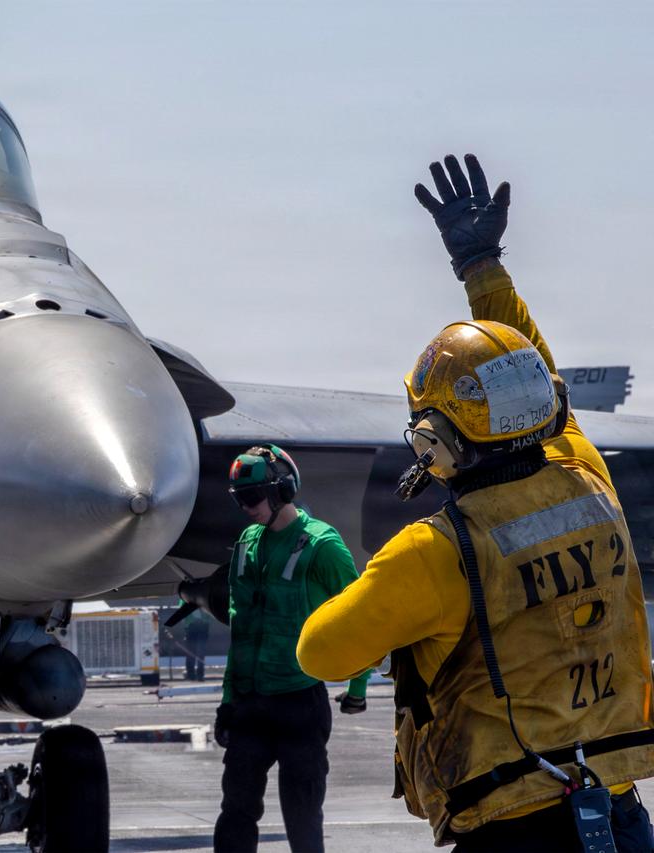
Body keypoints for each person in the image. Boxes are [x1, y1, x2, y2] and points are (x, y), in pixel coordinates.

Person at [296, 154, 654, 852]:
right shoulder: (585, 473)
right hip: (617, 810)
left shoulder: (437, 552)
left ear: (437, 440)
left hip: (514, 825)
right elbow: (529, 362)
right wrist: (482, 265)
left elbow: (320, 651)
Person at [213, 445, 369, 853]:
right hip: (250, 706)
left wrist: (357, 691)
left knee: (302, 823)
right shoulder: (247, 544)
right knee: (235, 814)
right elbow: (241, 630)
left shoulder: (322, 546)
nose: (246, 508)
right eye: (239, 499)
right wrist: (228, 703)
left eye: (252, 497)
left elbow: (359, 620)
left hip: (300, 704)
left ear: (282, 489)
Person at [184, 606, 210, 681]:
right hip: (192, 626)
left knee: (200, 652)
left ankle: (199, 675)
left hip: (202, 626)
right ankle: (192, 674)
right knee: (192, 652)